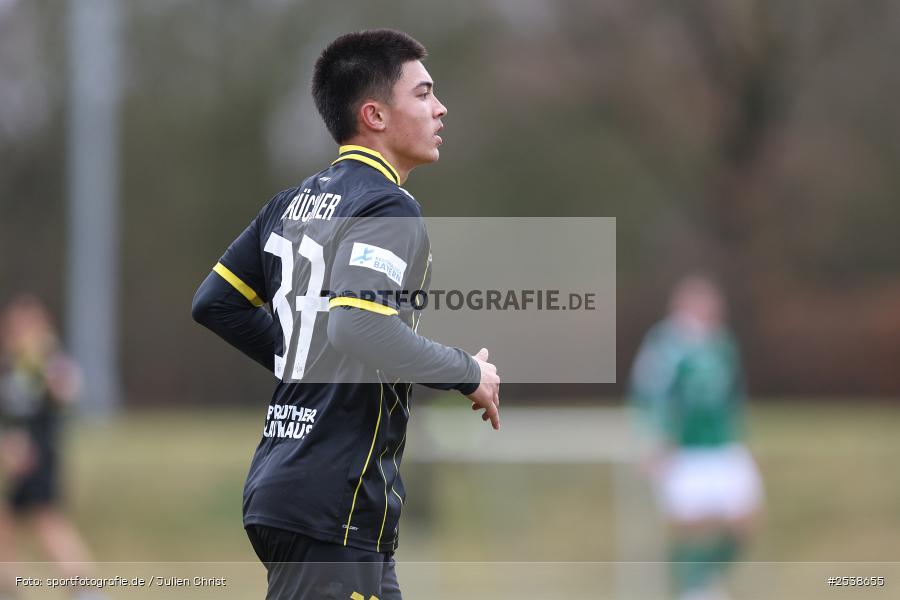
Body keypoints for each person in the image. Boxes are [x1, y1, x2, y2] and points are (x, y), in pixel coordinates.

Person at [192, 29, 500, 600]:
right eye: (423, 93)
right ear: (374, 115)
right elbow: (359, 325)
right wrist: (467, 372)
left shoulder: (289, 204)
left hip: (303, 491)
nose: (440, 108)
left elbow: (216, 302)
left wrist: (305, 362)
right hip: (330, 500)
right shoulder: (387, 206)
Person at [629, 276, 763, 600]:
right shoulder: (666, 344)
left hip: (722, 445)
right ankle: (691, 590)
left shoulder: (723, 343)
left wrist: (745, 438)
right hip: (684, 450)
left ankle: (703, 580)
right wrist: (654, 441)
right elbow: (649, 393)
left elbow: (733, 397)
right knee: (688, 525)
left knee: (745, 521)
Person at [0, 295, 104, 600]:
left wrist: (48, 372)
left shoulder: (48, 360)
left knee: (48, 521)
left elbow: (67, 392)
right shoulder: (12, 366)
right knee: (7, 522)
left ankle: (84, 588)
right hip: (20, 459)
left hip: (41, 455)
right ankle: (8, 586)